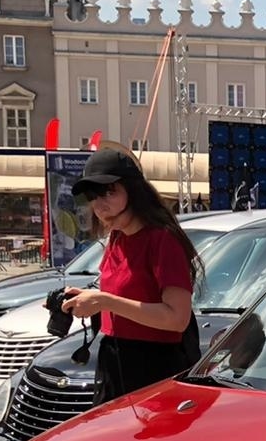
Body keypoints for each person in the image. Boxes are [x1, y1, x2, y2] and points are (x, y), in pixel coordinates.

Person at [61, 148, 199, 404]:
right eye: (92, 196)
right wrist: (86, 299)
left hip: (155, 366)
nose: (99, 205)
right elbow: (122, 296)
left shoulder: (162, 240)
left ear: (133, 192)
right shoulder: (117, 237)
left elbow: (177, 319)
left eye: (108, 192)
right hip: (114, 359)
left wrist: (104, 301)